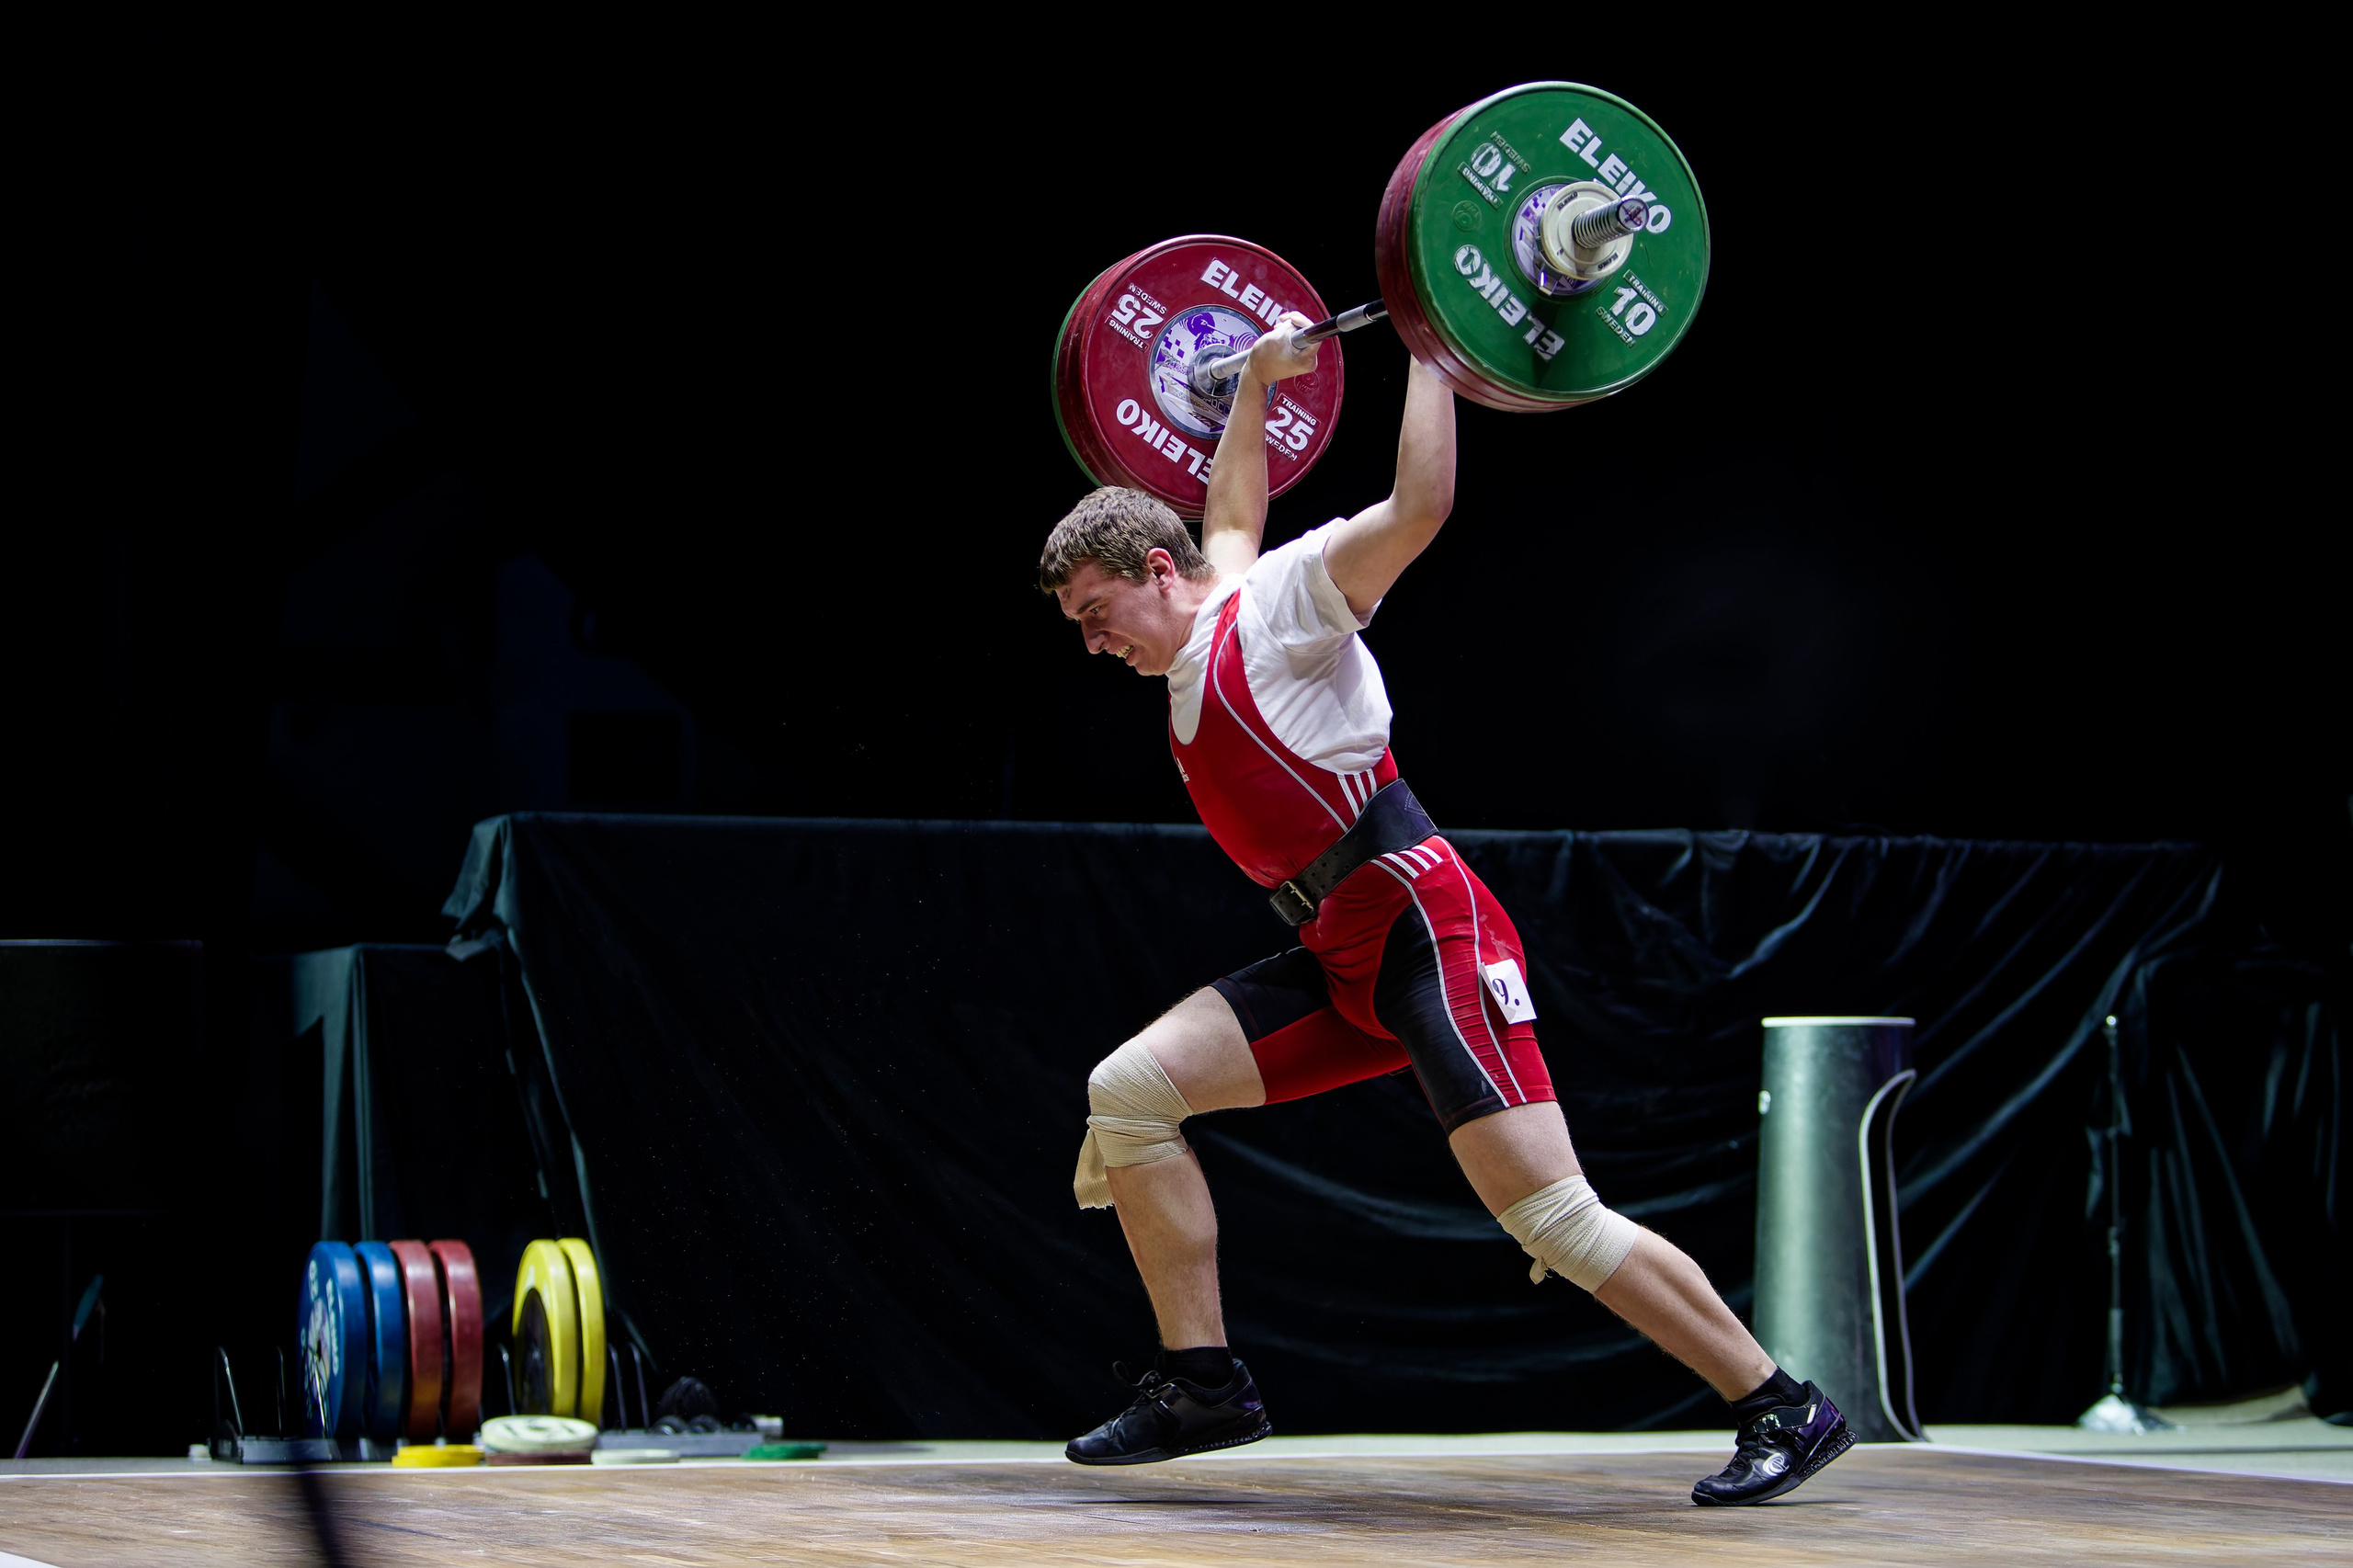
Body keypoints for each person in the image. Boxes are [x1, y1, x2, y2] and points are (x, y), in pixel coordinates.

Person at [1038, 315, 1850, 1506]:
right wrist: (1255, 382)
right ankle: (1203, 1383)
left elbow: (1419, 510)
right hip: (1340, 950)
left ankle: (1781, 1402)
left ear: (1158, 572)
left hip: (1427, 932)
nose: (1092, 640)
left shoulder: (1278, 605)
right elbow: (1231, 508)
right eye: (1077, 625)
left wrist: (1433, 348)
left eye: (1096, 608)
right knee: (1130, 1093)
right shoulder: (1216, 601)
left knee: (1555, 1218)